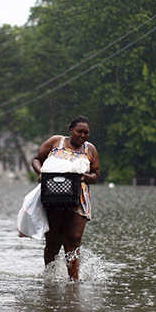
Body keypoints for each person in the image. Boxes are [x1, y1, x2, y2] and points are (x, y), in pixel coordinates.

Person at [32, 116, 100, 281]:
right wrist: (42, 173)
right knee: (53, 241)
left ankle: (73, 281)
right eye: (79, 131)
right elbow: (36, 159)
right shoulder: (56, 142)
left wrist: (85, 177)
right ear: (70, 129)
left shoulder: (90, 149)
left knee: (73, 240)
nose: (82, 136)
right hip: (54, 195)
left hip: (79, 199)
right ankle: (49, 277)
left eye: (86, 133)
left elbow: (96, 175)